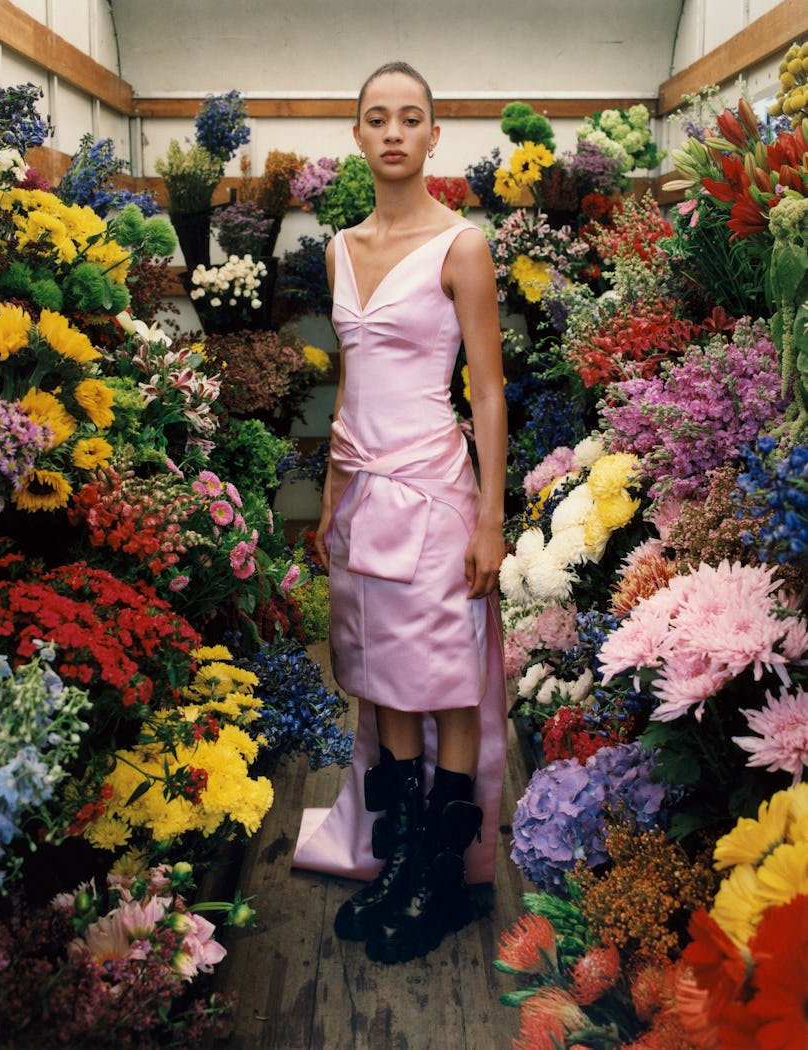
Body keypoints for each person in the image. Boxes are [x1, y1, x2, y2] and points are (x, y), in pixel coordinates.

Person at [292, 60, 508, 965]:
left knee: (444, 676)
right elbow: (353, 378)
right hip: (362, 495)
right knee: (381, 674)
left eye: (410, 117)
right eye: (377, 117)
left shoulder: (463, 245)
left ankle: (442, 880)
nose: (393, 131)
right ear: (357, 136)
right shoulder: (339, 249)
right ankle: (399, 859)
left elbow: (487, 390)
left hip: (435, 492)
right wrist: (330, 491)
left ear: (432, 135)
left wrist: (491, 516)